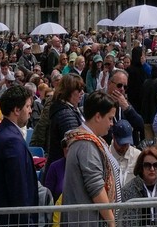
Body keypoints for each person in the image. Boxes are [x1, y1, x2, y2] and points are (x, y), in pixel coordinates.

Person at [63, 92, 120, 226]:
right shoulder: (86, 145)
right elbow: (96, 188)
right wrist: (112, 222)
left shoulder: (94, 141)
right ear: (98, 116)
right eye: (110, 118)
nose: (112, 123)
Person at [0, 83, 39, 211]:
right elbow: (18, 187)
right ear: (16, 110)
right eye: (27, 106)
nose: (30, 111)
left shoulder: (5, 132)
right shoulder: (12, 141)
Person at [118, 149, 157, 227]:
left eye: (156, 165)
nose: (152, 169)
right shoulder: (128, 190)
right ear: (141, 167)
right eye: (147, 165)